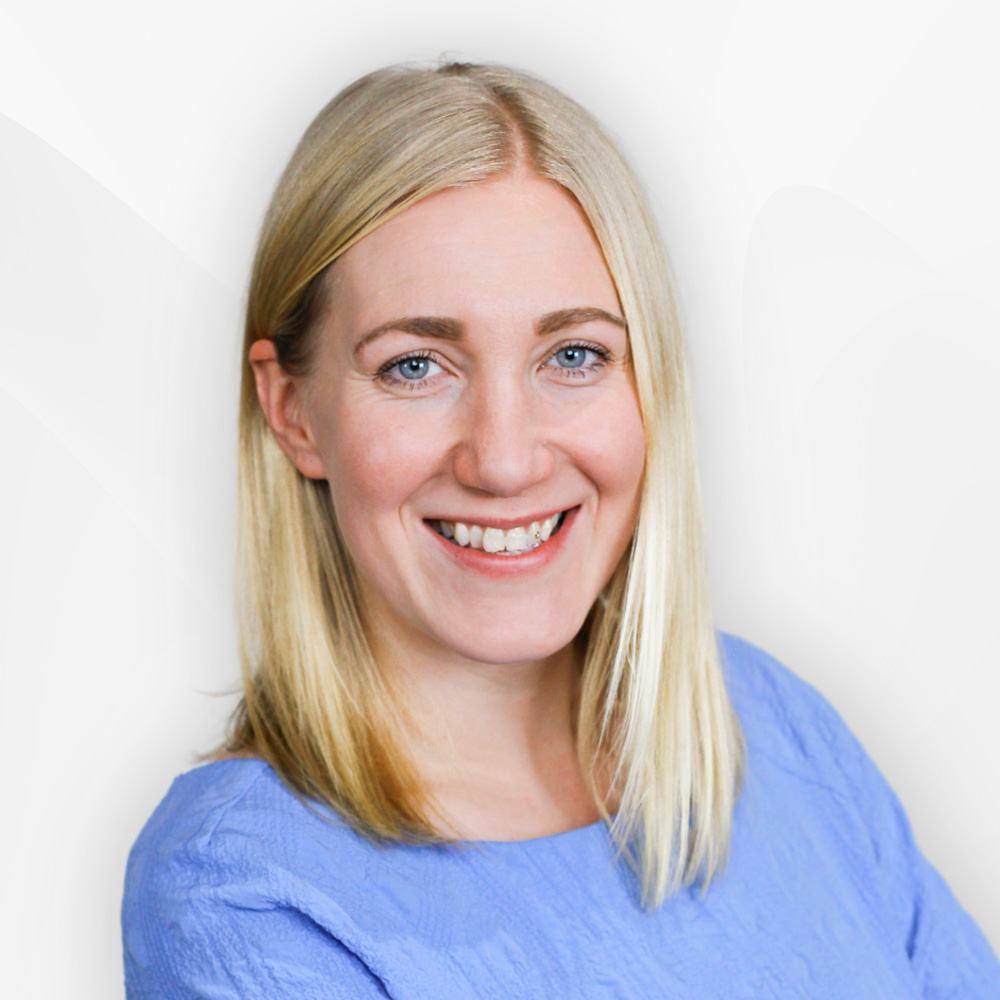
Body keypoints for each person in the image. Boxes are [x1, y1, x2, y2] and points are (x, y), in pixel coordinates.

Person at [121, 59, 1000, 998]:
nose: (505, 461)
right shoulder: (241, 891)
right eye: (416, 366)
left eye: (574, 355)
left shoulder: (769, 722)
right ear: (293, 411)